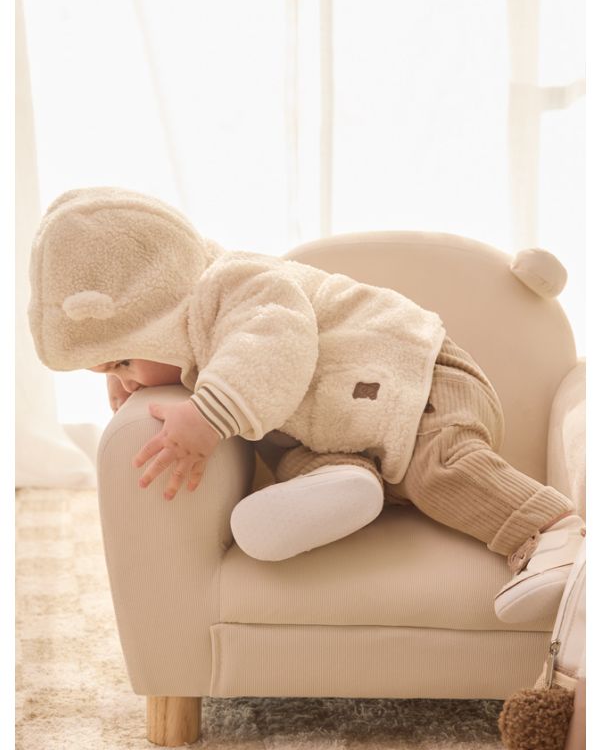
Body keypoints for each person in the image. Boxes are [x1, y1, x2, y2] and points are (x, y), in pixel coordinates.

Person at [28, 186, 585, 625]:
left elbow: (275, 342)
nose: (125, 381)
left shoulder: (235, 282)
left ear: (161, 315)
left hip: (417, 383)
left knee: (436, 466)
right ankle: (345, 484)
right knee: (289, 456)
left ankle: (555, 533)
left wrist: (209, 414)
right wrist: (131, 378)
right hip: (342, 432)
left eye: (124, 361)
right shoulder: (190, 334)